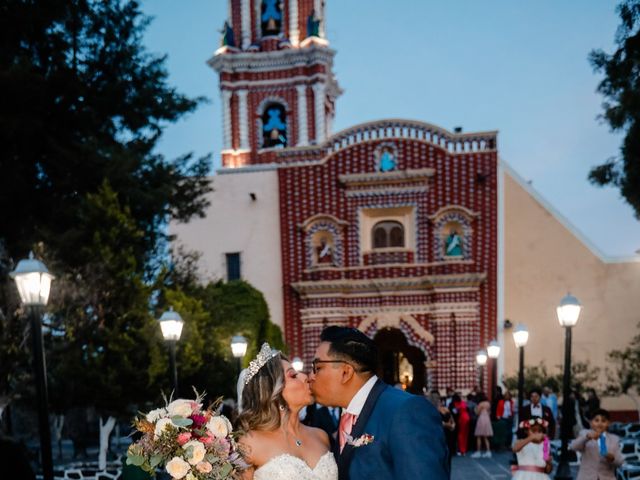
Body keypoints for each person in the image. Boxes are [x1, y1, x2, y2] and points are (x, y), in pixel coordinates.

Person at [308, 326, 449, 480]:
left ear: (346, 372)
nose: (310, 376)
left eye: (317, 367)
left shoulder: (406, 411)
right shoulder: (348, 414)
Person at [236, 343, 338, 480]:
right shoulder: (249, 444)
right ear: (273, 391)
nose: (305, 377)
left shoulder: (321, 436)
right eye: (293, 375)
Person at [570, 408, 624, 480]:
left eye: (603, 421)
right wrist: (587, 438)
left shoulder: (614, 439)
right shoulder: (585, 433)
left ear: (608, 423)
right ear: (591, 423)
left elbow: (619, 462)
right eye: (596, 420)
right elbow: (573, 447)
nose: (600, 423)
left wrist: (610, 457)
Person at [427, 390, 456, 472]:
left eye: (437, 398)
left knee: (447, 459)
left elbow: (452, 422)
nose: (437, 399)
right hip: (439, 436)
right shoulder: (431, 410)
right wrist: (448, 425)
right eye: (434, 398)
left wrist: (451, 426)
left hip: (447, 436)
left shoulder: (445, 409)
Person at [472, 393, 493, 458]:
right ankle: (488, 451)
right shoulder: (488, 404)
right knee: (485, 436)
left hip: (481, 418)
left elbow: (477, 412)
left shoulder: (480, 404)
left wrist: (475, 409)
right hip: (487, 418)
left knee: (479, 436)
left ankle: (478, 451)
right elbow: (489, 412)